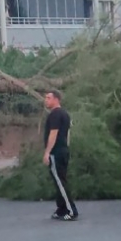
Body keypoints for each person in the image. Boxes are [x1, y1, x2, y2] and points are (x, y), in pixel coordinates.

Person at [43, 90, 78, 221]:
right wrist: (66, 148)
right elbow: (67, 134)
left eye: (48, 98)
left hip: (56, 152)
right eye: (45, 98)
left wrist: (47, 152)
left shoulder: (55, 114)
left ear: (56, 99)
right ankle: (61, 209)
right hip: (63, 151)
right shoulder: (65, 114)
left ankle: (71, 210)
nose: (46, 100)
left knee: (60, 182)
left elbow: (54, 134)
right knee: (59, 181)